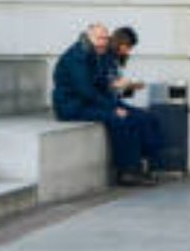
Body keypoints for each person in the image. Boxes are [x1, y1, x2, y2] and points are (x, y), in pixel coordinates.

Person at [50, 23, 164, 187]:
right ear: (88, 36)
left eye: (105, 38)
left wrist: (121, 87)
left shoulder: (94, 53)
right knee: (122, 120)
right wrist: (112, 108)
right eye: (99, 38)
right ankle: (127, 172)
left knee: (143, 117)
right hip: (72, 107)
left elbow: (101, 84)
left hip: (89, 103)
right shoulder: (77, 57)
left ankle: (142, 162)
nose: (103, 42)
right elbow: (86, 91)